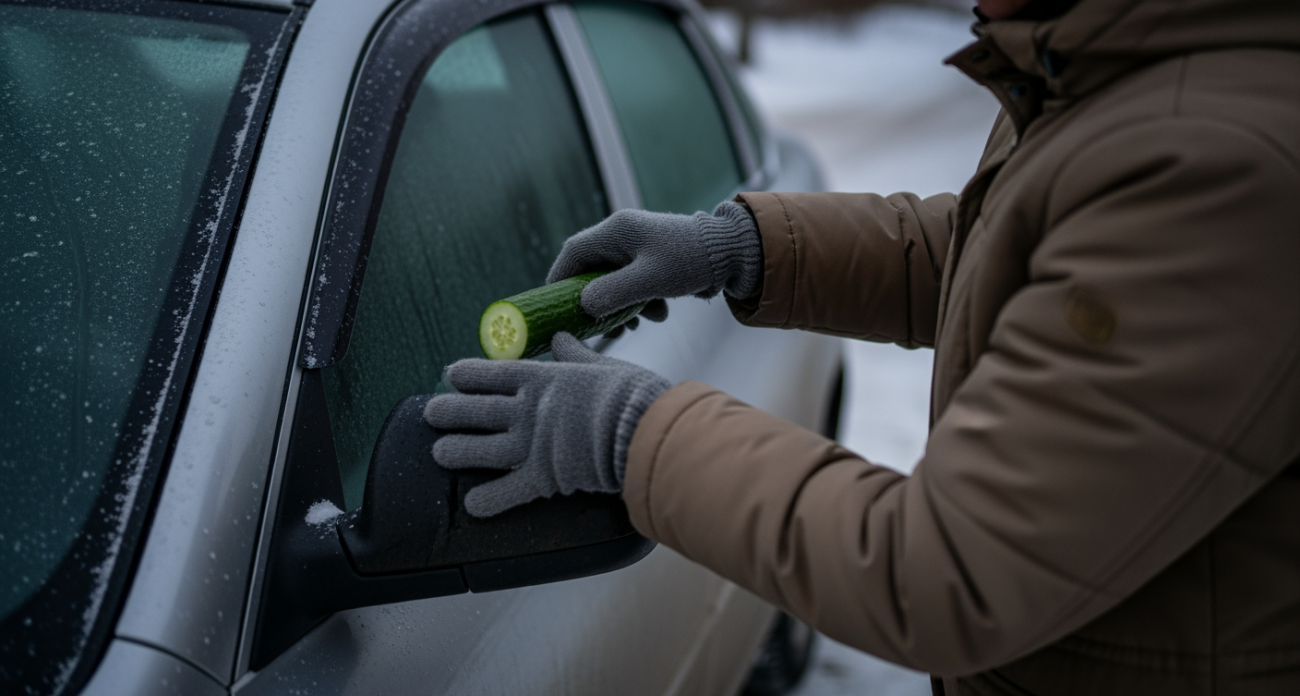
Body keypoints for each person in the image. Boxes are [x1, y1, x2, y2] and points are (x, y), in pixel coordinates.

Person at [425, 0, 1300, 693]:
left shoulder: (1209, 158)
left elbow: (948, 573)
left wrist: (632, 433)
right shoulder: (1101, 64)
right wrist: (744, 250)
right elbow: (999, 252)